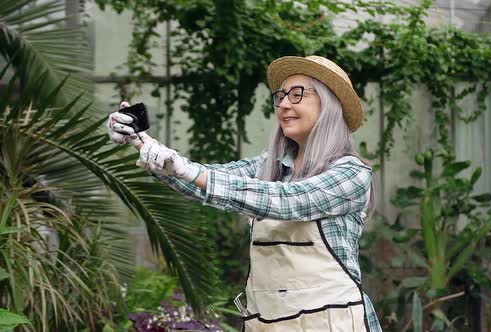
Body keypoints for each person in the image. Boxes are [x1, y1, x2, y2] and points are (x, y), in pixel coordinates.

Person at [106, 55, 382, 332]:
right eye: (281, 96)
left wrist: (187, 170)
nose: (284, 103)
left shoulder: (351, 173)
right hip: (266, 323)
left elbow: (289, 200)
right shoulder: (269, 166)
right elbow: (206, 180)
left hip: (331, 323)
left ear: (330, 106)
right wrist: (146, 147)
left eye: (298, 94)